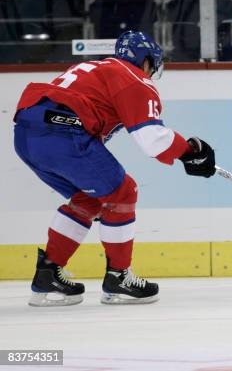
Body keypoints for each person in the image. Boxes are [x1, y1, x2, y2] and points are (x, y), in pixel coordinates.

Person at [13, 31, 216, 306]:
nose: (151, 72)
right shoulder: (133, 77)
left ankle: (47, 276)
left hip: (27, 136)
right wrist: (190, 152)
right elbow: (152, 139)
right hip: (63, 133)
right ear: (145, 61)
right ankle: (119, 279)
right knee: (123, 193)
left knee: (88, 198)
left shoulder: (94, 68)